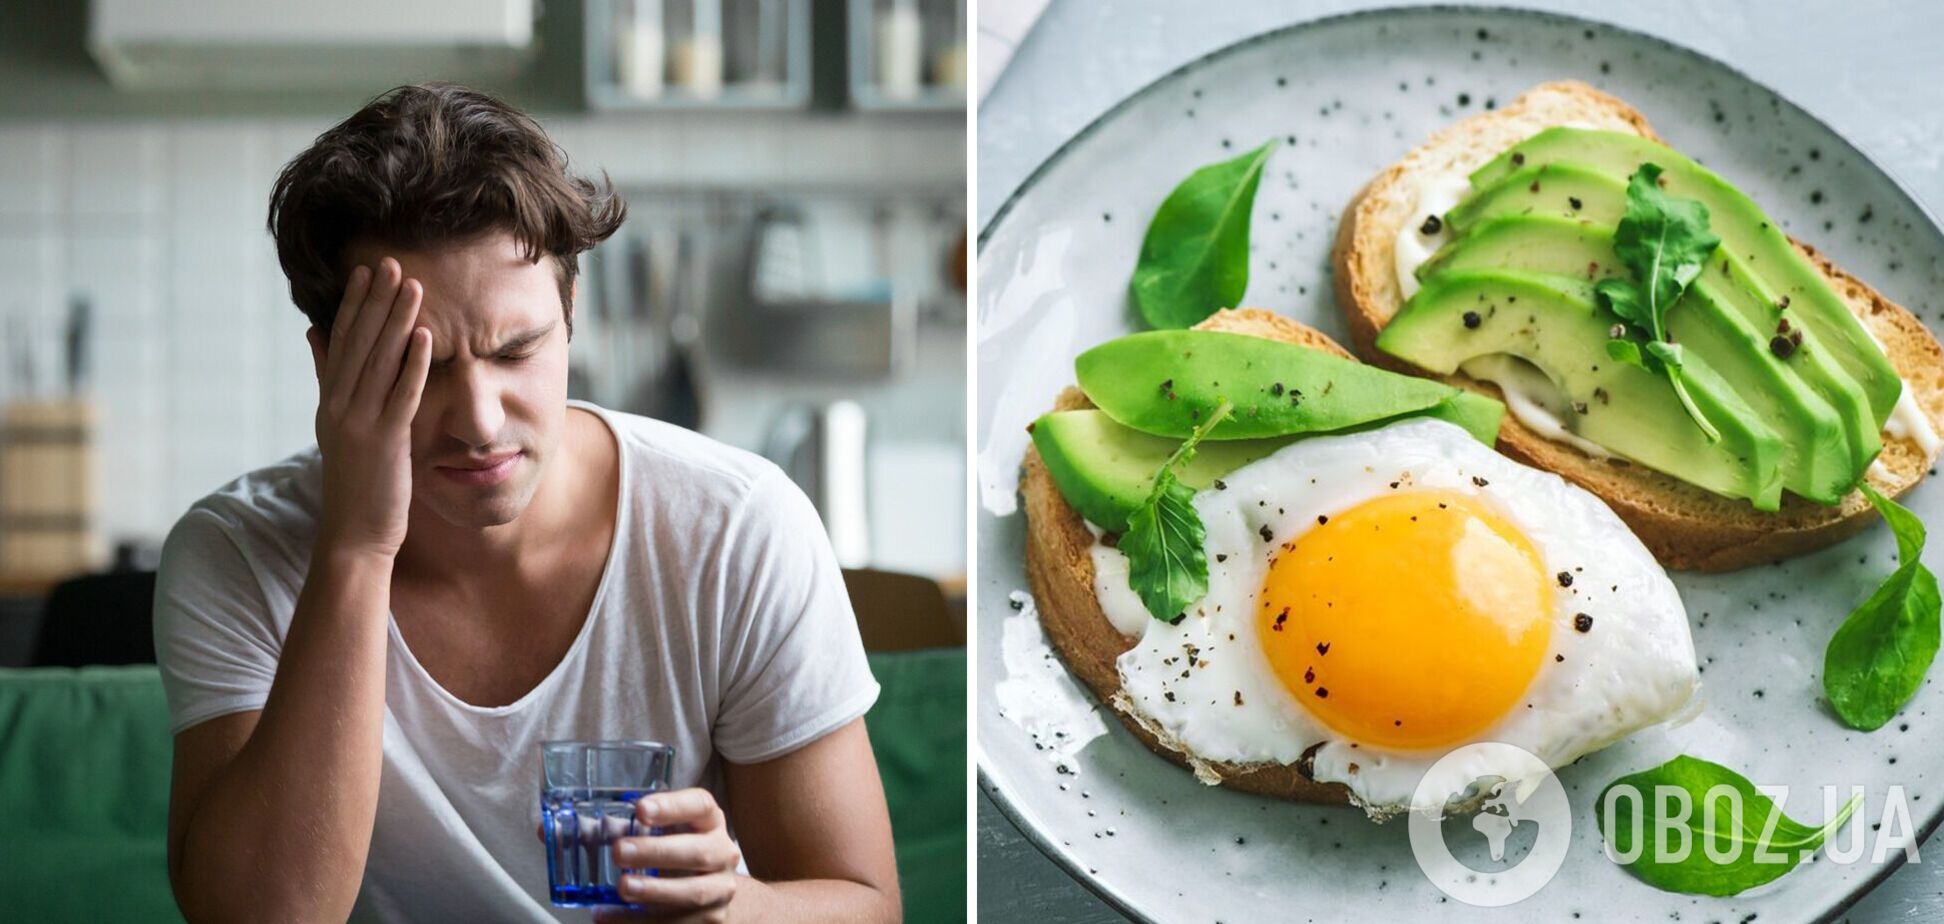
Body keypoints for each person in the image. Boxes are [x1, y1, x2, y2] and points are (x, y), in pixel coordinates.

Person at [152, 83, 900, 923]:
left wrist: (735, 909)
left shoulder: (737, 528)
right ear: (330, 365)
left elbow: (866, 904)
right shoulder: (235, 553)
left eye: (518, 349)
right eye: (421, 365)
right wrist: (357, 547)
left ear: (570, 312)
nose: (478, 420)